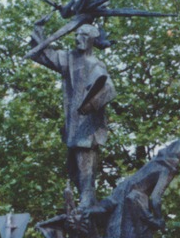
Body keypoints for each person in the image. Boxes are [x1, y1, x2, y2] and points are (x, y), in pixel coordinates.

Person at [28, 22, 116, 207]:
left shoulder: (96, 64)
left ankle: (87, 201)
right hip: (73, 126)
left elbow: (108, 90)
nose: (77, 39)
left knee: (85, 166)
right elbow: (42, 54)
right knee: (74, 169)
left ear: (92, 40)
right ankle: (85, 201)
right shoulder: (70, 58)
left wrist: (90, 105)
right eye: (76, 35)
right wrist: (39, 31)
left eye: (83, 35)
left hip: (87, 126)